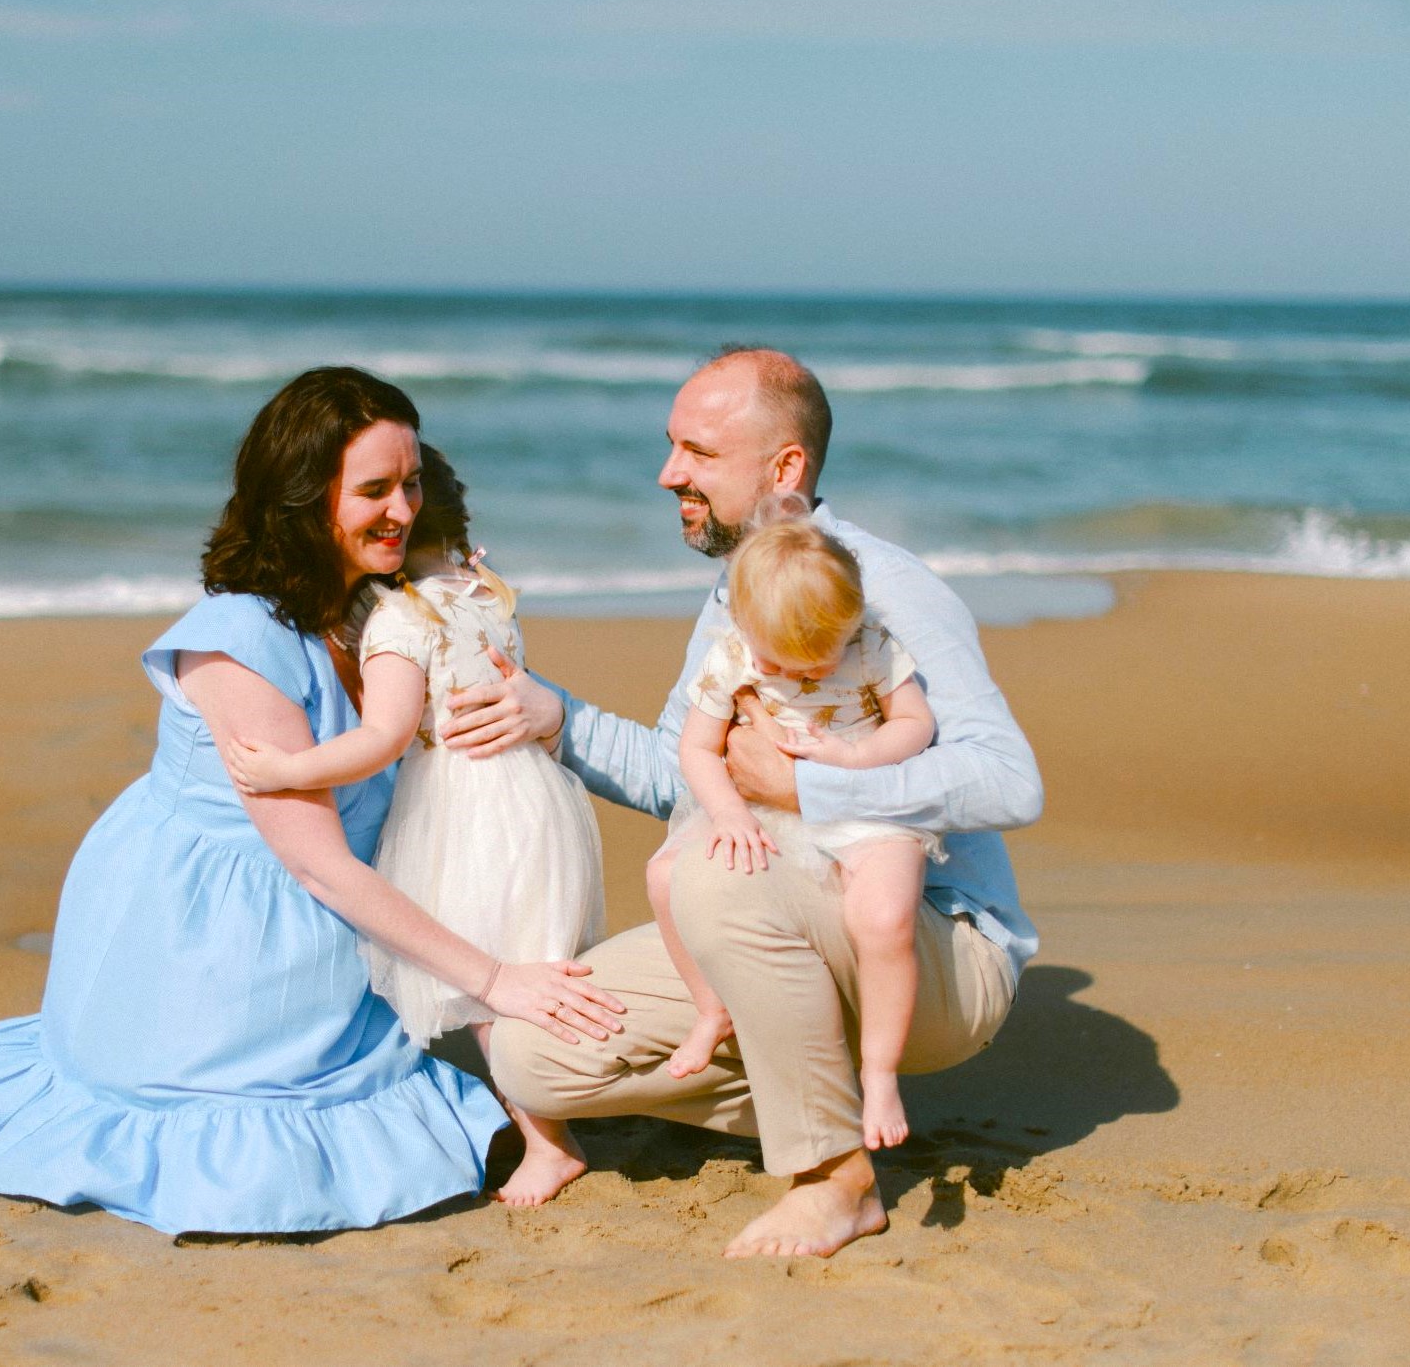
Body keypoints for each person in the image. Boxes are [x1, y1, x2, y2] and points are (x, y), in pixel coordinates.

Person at [0, 367, 624, 1237]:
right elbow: (318, 866)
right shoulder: (240, 642)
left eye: (412, 483)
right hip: (224, 922)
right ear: (300, 500)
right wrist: (494, 977)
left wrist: (539, 711)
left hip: (348, 896)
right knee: (258, 1111)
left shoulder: (378, 606)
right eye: (373, 491)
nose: (402, 510)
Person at [456, 347, 1043, 1259]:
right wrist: (555, 718)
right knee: (537, 1057)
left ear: (785, 469)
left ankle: (834, 1179)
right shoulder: (733, 590)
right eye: (670, 446)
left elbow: (1009, 778)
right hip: (780, 914)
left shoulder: (878, 588)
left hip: (927, 942)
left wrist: (812, 782)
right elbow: (678, 772)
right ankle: (806, 1071)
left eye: (697, 452)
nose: (668, 473)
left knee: (713, 881)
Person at [222, 442, 604, 1206]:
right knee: (533, 956)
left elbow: (384, 738)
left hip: (463, 806)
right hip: (536, 795)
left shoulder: (399, 619)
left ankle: (548, 1144)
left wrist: (289, 770)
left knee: (483, 987)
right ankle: (569, 1101)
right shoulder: (486, 592)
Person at [648, 513, 942, 1154]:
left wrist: (856, 756)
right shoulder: (732, 654)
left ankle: (880, 1071)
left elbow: (915, 722)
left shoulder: (871, 645)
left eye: (817, 660)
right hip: (760, 807)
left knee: (885, 916)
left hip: (863, 805)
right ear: (746, 628)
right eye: (777, 659)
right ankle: (711, 1009)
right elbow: (696, 750)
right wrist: (727, 813)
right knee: (664, 876)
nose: (797, 674)